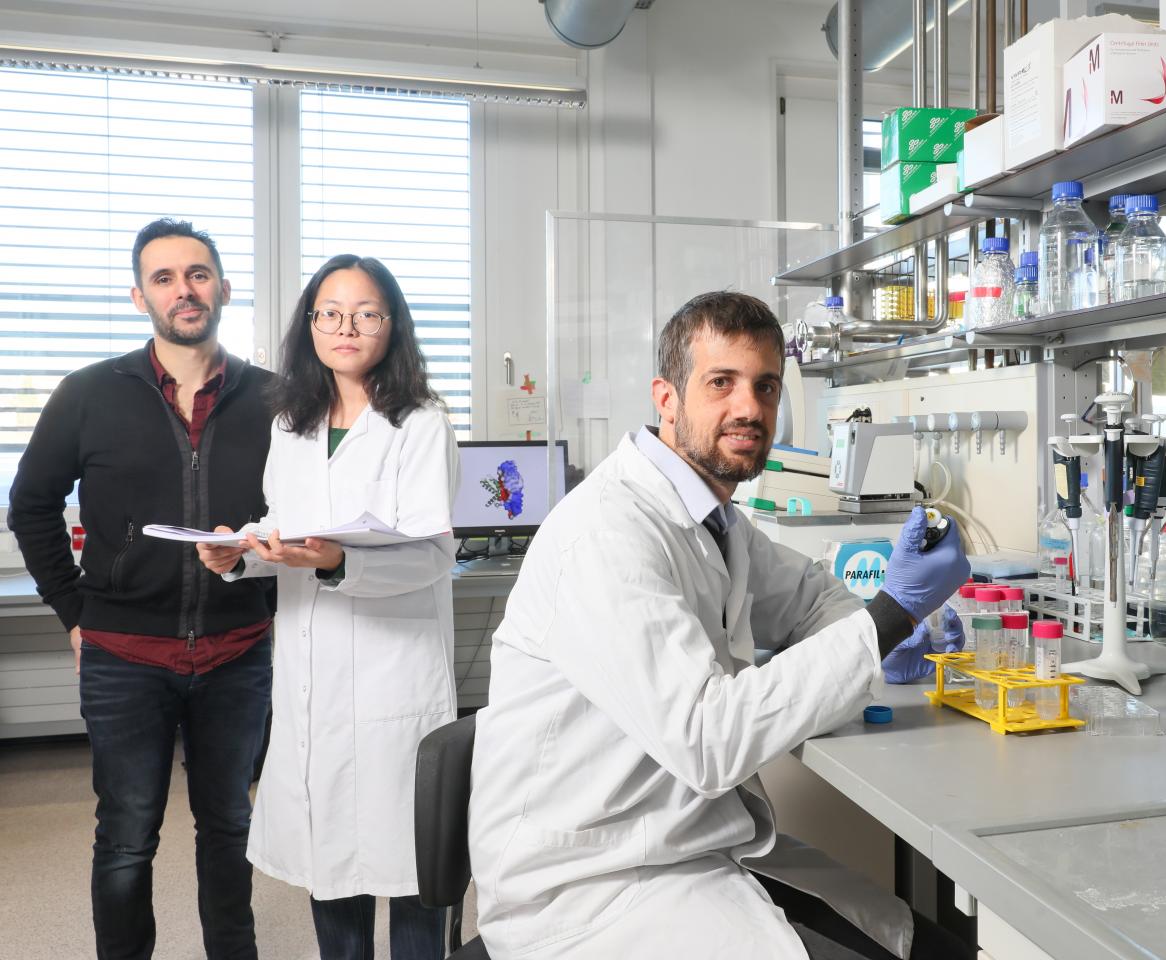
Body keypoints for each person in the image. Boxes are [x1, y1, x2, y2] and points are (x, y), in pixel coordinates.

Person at [468, 291, 971, 960]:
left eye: (765, 386)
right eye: (721, 383)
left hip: (684, 847)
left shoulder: (713, 519)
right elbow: (708, 739)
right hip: (589, 887)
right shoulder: (607, 535)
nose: (749, 408)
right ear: (666, 399)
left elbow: (812, 599)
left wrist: (883, 631)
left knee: (930, 948)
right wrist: (891, 615)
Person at [8, 219, 275, 959]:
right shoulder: (89, 393)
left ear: (223, 286)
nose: (183, 290)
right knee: (126, 833)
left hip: (238, 654)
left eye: (197, 273)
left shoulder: (275, 399)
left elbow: (295, 523)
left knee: (229, 826)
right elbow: (31, 506)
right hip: (124, 655)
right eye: (164, 278)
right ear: (139, 296)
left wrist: (272, 602)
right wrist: (73, 612)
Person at [196, 254, 459, 960]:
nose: (346, 327)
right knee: (329, 861)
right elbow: (283, 529)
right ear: (309, 323)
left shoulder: (421, 423)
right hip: (311, 675)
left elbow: (432, 555)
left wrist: (340, 562)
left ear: (392, 325)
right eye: (330, 312)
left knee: (408, 867)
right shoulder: (292, 423)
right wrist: (239, 553)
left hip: (392, 678)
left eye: (366, 313)